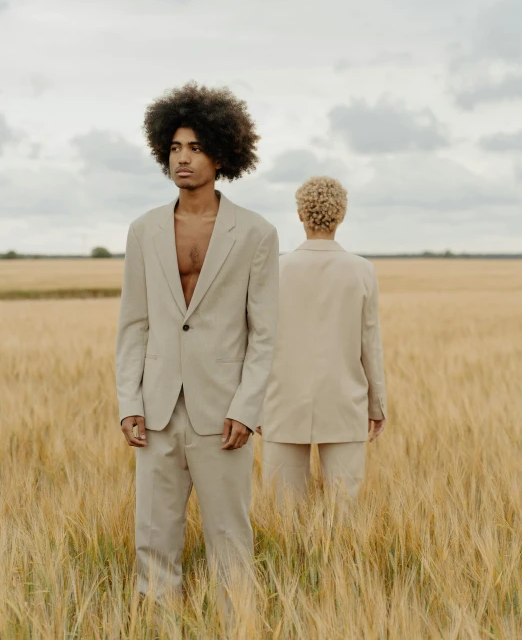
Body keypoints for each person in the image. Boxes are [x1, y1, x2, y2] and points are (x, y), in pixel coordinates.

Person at [115, 81, 279, 601]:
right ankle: (157, 627)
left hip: (223, 413)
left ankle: (239, 626)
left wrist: (247, 408)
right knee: (153, 540)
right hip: (157, 410)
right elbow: (133, 325)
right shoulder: (143, 231)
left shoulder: (256, 233)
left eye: (196, 147)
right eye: (174, 148)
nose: (182, 159)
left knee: (230, 540)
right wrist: (129, 402)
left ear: (223, 153)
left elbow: (264, 334)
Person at [259, 176, 386, 504]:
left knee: (282, 515)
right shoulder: (362, 271)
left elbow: (257, 341)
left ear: (300, 215)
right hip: (345, 402)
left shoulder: (274, 269)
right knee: (345, 514)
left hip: (281, 402)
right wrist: (377, 405)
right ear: (341, 215)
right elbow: (369, 343)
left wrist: (252, 406)